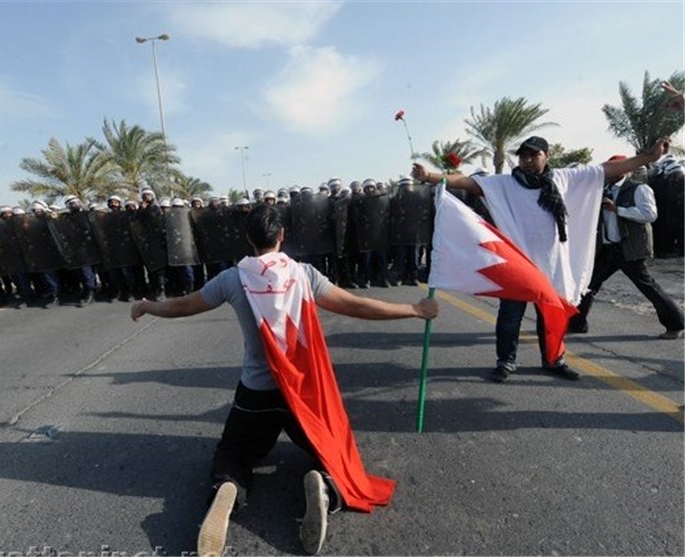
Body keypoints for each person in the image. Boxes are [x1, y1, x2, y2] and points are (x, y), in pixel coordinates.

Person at [130, 204, 438, 556]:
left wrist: (147, 306)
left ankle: (228, 486)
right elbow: (355, 305)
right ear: (281, 235)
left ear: (249, 239)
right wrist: (414, 310)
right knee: (329, 449)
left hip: (256, 393)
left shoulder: (233, 279)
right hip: (303, 392)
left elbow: (183, 306)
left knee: (232, 453)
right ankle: (325, 485)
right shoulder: (304, 274)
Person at [413, 135, 669, 382]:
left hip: (553, 263)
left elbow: (609, 168)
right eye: (523, 156)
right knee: (510, 317)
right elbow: (468, 182)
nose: (527, 160)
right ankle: (506, 361)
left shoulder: (565, 178)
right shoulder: (505, 183)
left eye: (533, 155)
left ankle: (554, 360)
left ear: (547, 155)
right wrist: (430, 176)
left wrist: (649, 157)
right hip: (517, 264)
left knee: (552, 316)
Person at [568, 155, 684, 338]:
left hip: (629, 248)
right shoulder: (603, 189)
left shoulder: (639, 189)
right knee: (588, 285)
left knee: (647, 287)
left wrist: (618, 209)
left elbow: (649, 215)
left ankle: (676, 324)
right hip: (609, 247)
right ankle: (577, 323)